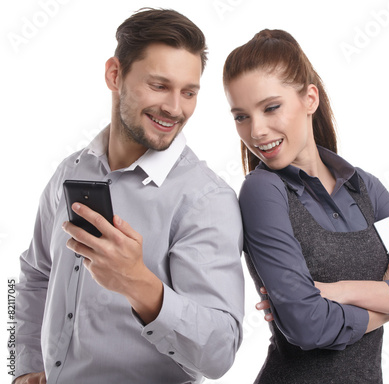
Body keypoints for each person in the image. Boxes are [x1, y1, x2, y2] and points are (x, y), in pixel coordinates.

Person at [14, 8, 244, 384]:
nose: (175, 108)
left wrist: (137, 281)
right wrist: (23, 366)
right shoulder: (71, 172)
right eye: (159, 86)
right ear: (114, 74)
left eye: (188, 92)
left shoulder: (206, 199)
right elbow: (33, 275)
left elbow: (219, 353)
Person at [223, 29, 389, 383]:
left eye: (271, 108)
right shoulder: (263, 191)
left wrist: (339, 291)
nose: (256, 131)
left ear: (310, 99)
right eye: (241, 116)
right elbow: (307, 327)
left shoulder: (365, 189)